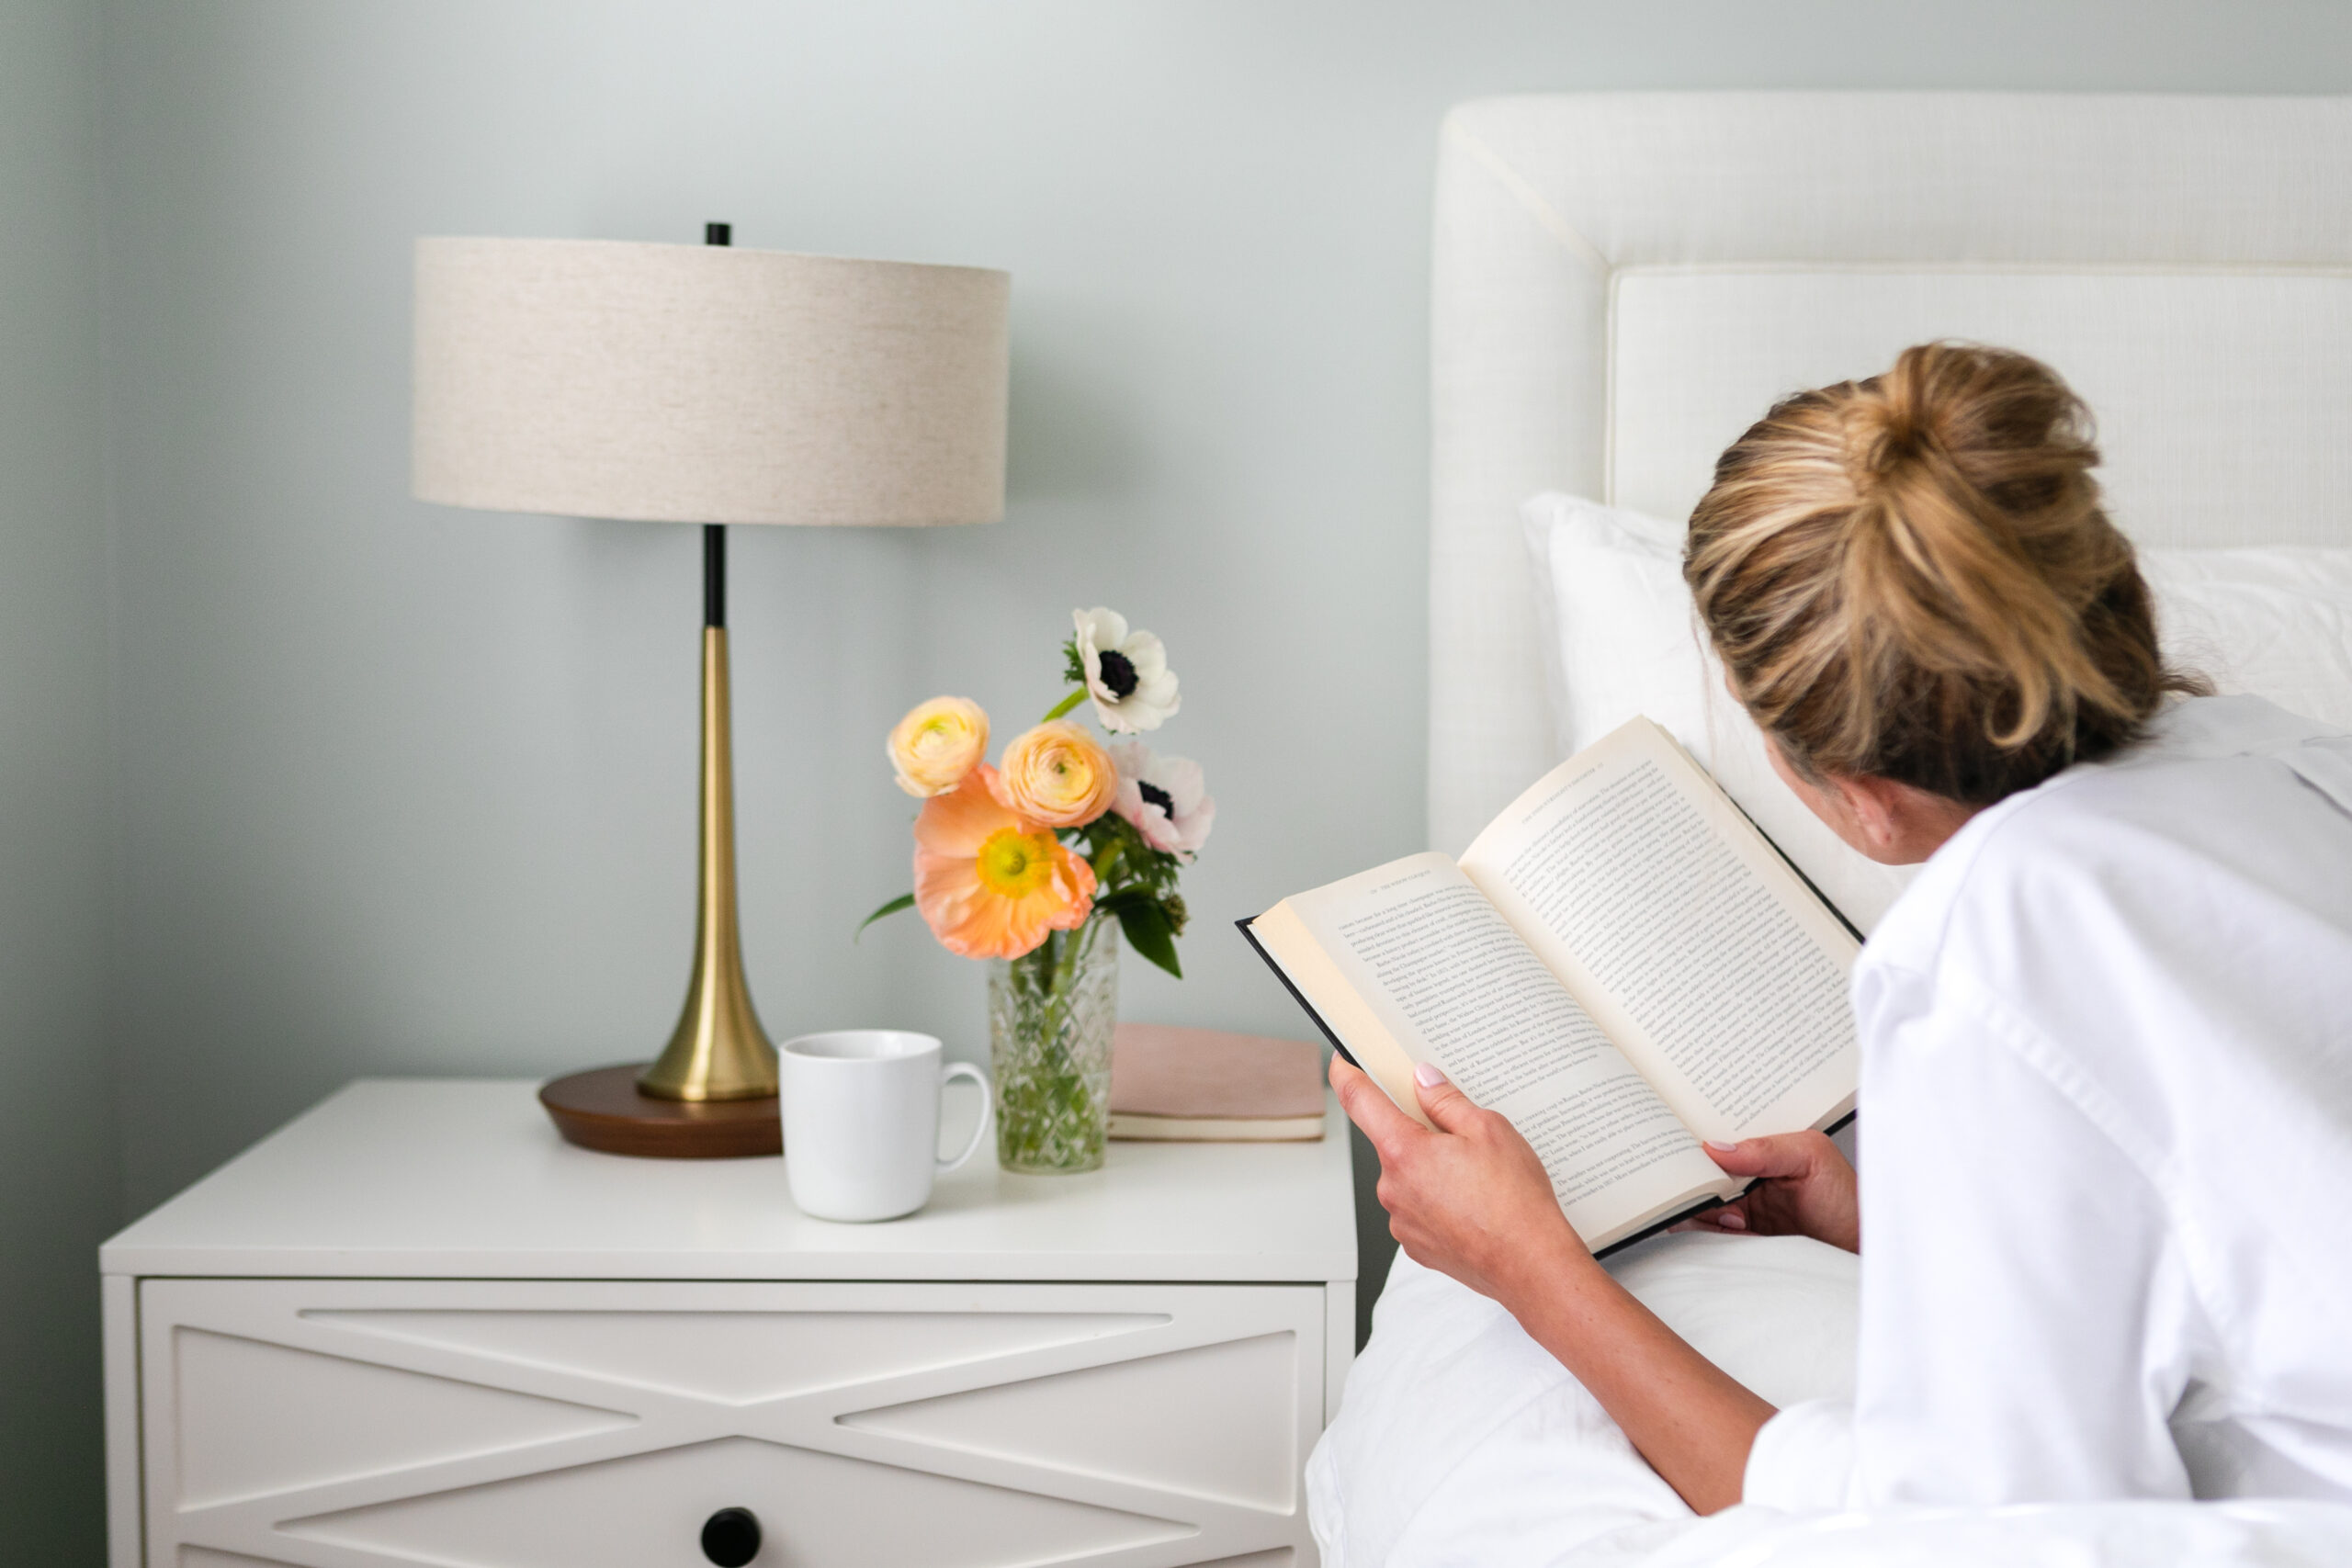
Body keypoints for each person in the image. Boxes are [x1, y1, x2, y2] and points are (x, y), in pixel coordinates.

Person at [1327, 343, 2352, 1526]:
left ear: (1861, 792)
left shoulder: (2000, 937)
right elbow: (2242, 1218)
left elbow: (1963, 1534)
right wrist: (1884, 1226)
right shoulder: (2297, 761)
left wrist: (1534, 1273)